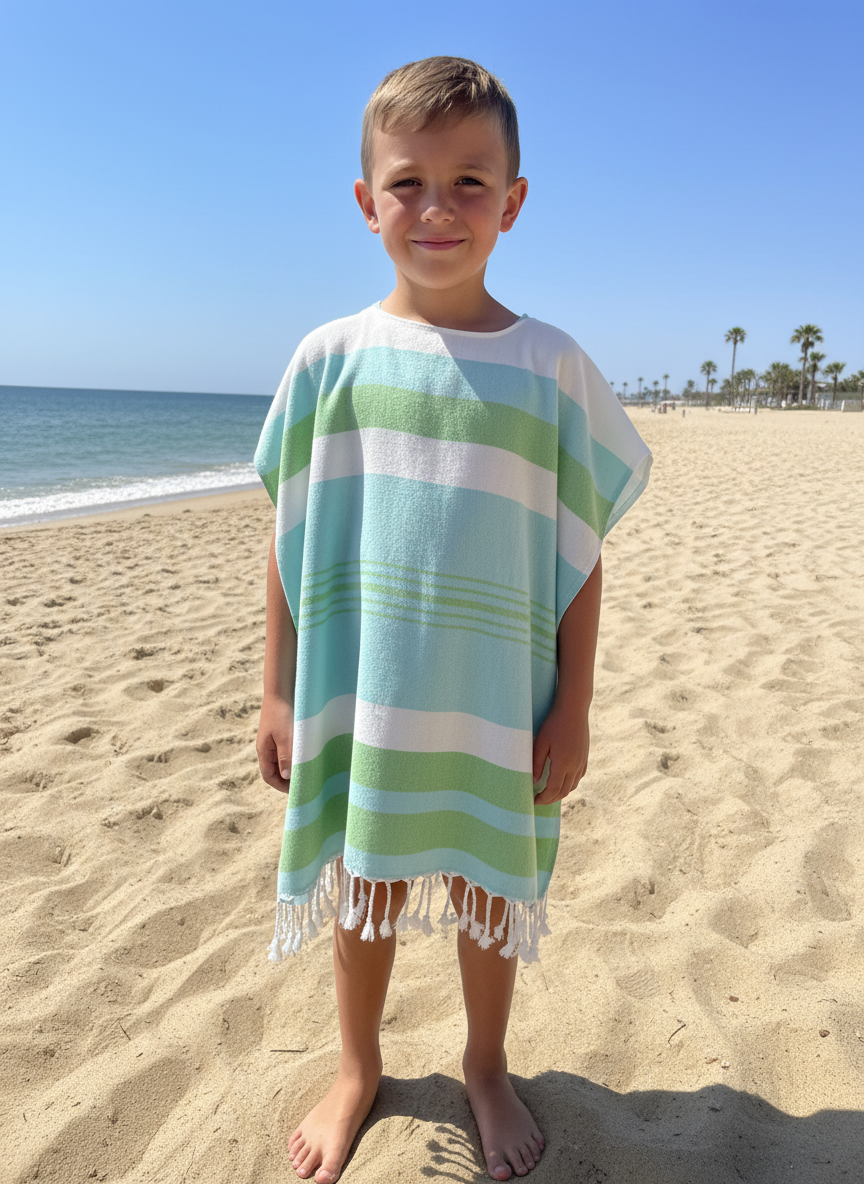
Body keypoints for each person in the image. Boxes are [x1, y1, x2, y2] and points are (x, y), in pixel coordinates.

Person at [254, 57, 651, 1183]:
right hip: (367, 690)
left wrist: (573, 704)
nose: (437, 208)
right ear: (366, 200)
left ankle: (485, 1062)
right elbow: (292, 538)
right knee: (368, 879)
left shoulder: (550, 367)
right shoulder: (328, 360)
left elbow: (577, 554)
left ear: (514, 201)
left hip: (494, 694)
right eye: (408, 182)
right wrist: (279, 689)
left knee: (487, 881)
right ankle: (356, 1065)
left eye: (470, 182)